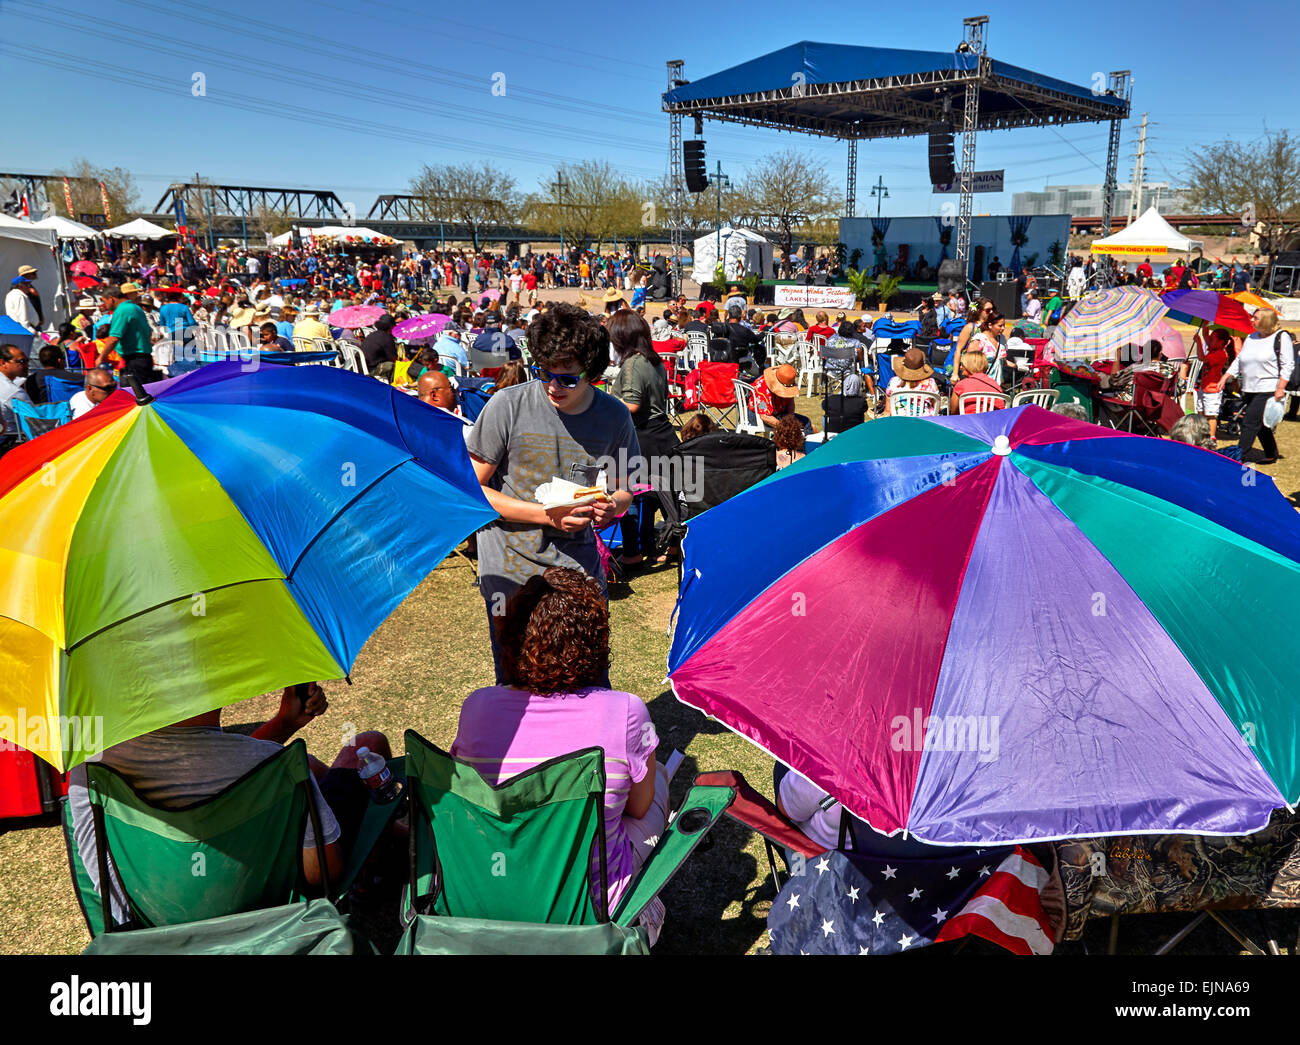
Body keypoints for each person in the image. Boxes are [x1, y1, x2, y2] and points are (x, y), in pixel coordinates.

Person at [67, 682, 393, 928]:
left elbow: (110, 895)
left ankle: (394, 836)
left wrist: (283, 724)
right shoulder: (276, 765)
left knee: (313, 767)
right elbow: (323, 871)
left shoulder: (90, 773)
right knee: (368, 744)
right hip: (268, 923)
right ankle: (387, 850)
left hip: (157, 931)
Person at [450, 568, 667, 915]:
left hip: (492, 890)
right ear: (595, 639)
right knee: (658, 787)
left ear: (512, 636)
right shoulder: (626, 711)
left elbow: (466, 806)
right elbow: (638, 809)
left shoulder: (477, 707)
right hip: (589, 915)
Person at [466, 303, 639, 681]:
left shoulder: (614, 416)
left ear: (593, 373)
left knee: (587, 678)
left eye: (567, 379)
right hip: (509, 569)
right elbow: (470, 489)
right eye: (544, 373)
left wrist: (613, 506)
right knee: (515, 682)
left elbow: (627, 486)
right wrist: (544, 516)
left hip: (577, 569)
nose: (553, 386)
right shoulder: (506, 406)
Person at [608, 311, 676, 570]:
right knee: (656, 496)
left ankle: (633, 552)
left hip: (640, 436)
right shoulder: (654, 359)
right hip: (661, 434)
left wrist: (605, 403)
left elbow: (633, 405)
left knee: (628, 494)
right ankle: (656, 544)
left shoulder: (633, 363)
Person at [1223, 307, 1292, 464]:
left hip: (1268, 388)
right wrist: (1227, 375)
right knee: (1260, 424)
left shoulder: (1281, 337)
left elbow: (1288, 364)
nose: (1252, 320)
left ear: (1267, 320)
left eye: (1256, 318)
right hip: (1250, 387)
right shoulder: (1251, 337)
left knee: (1249, 422)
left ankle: (1239, 456)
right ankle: (1271, 453)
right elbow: (1240, 360)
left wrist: (1281, 387)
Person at [96, 283, 157, 387]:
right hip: (141, 358)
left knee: (136, 395)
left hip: (135, 360)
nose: (104, 305)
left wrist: (100, 358)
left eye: (104, 301)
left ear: (111, 298)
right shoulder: (135, 308)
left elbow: (114, 338)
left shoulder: (122, 310)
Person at [1191, 327, 1231, 440]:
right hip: (1204, 387)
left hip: (1212, 390)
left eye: (1212, 339)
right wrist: (1205, 324)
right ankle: (1201, 434)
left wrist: (1198, 342)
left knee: (1210, 415)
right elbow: (1205, 334)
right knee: (1201, 412)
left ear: (1221, 342)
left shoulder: (1220, 354)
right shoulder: (1214, 350)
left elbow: (1201, 358)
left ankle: (1211, 437)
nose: (1208, 341)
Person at [885, 348, 940, 416]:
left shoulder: (894, 382)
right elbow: (936, 407)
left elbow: (887, 411)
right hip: (926, 423)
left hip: (900, 422)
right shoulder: (931, 383)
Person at [0, 343, 32, 451]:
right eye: (22, 361)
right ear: (3, 363)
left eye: (27, 360)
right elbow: (35, 420)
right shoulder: (13, 392)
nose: (27, 365)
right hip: (10, 442)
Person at [360, 313, 399, 380]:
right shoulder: (387, 338)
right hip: (371, 370)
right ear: (391, 327)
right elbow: (394, 359)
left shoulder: (372, 334)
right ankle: (392, 385)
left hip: (361, 366)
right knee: (394, 366)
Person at [5, 266, 42, 332]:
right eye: (26, 284)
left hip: (27, 327)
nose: (28, 286)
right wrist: (30, 329)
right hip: (27, 328)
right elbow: (22, 314)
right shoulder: (19, 295)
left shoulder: (15, 294)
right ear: (20, 286)